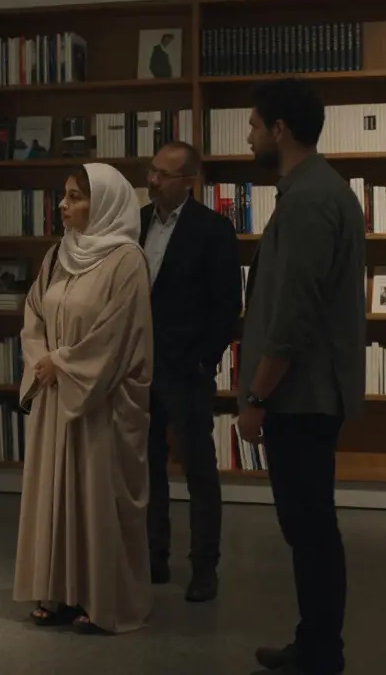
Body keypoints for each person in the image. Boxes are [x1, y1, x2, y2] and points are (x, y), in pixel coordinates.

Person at [236, 78, 365, 675]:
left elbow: (294, 313)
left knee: (309, 526)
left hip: (301, 396)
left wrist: (258, 394)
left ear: (280, 129)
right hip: (305, 394)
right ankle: (315, 645)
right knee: (309, 524)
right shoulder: (312, 190)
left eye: (256, 125)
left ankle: (320, 653)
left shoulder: (311, 198)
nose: (250, 135)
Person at [13, 162, 155, 635]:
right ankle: (57, 593)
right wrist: (41, 360)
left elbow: (116, 335)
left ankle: (103, 599)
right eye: (64, 196)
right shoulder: (58, 255)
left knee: (98, 499)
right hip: (58, 397)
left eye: (75, 196)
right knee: (55, 494)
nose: (63, 205)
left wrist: (65, 364)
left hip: (101, 404)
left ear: (106, 204)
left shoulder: (126, 260)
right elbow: (34, 311)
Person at [140, 141, 242, 602]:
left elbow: (228, 308)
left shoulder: (214, 231)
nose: (152, 180)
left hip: (187, 370)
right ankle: (153, 557)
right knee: (146, 467)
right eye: (152, 170)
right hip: (139, 367)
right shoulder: (135, 224)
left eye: (163, 174)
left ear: (188, 182)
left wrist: (204, 359)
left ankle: (204, 568)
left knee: (198, 472)